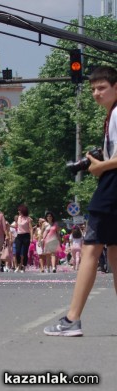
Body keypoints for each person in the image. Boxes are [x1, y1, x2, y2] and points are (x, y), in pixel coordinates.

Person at [44, 66, 117, 337]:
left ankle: (72, 319)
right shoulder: (112, 115)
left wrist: (99, 167)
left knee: (90, 250)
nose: (96, 93)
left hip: (111, 187)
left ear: (116, 87)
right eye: (93, 89)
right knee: (114, 253)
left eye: (102, 88)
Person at [14, 205, 33, 272]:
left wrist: (31, 238)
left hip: (26, 235)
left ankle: (23, 266)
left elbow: (30, 228)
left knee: (24, 252)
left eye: (20, 210)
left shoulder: (28, 218)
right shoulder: (18, 217)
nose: (18, 211)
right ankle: (18, 265)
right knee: (17, 251)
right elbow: (16, 226)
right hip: (19, 236)